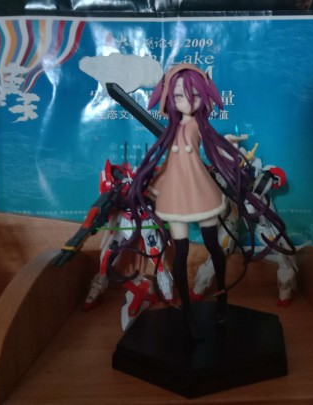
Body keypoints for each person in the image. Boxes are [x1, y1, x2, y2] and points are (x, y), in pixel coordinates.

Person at [122, 64, 293, 337]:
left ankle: (222, 294)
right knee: (180, 252)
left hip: (200, 190)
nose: (187, 102)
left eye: (195, 95)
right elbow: (162, 159)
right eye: (179, 96)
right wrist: (147, 182)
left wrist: (229, 147)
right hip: (176, 194)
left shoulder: (198, 126)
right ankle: (187, 309)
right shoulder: (171, 130)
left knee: (214, 246)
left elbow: (215, 145)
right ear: (169, 98)